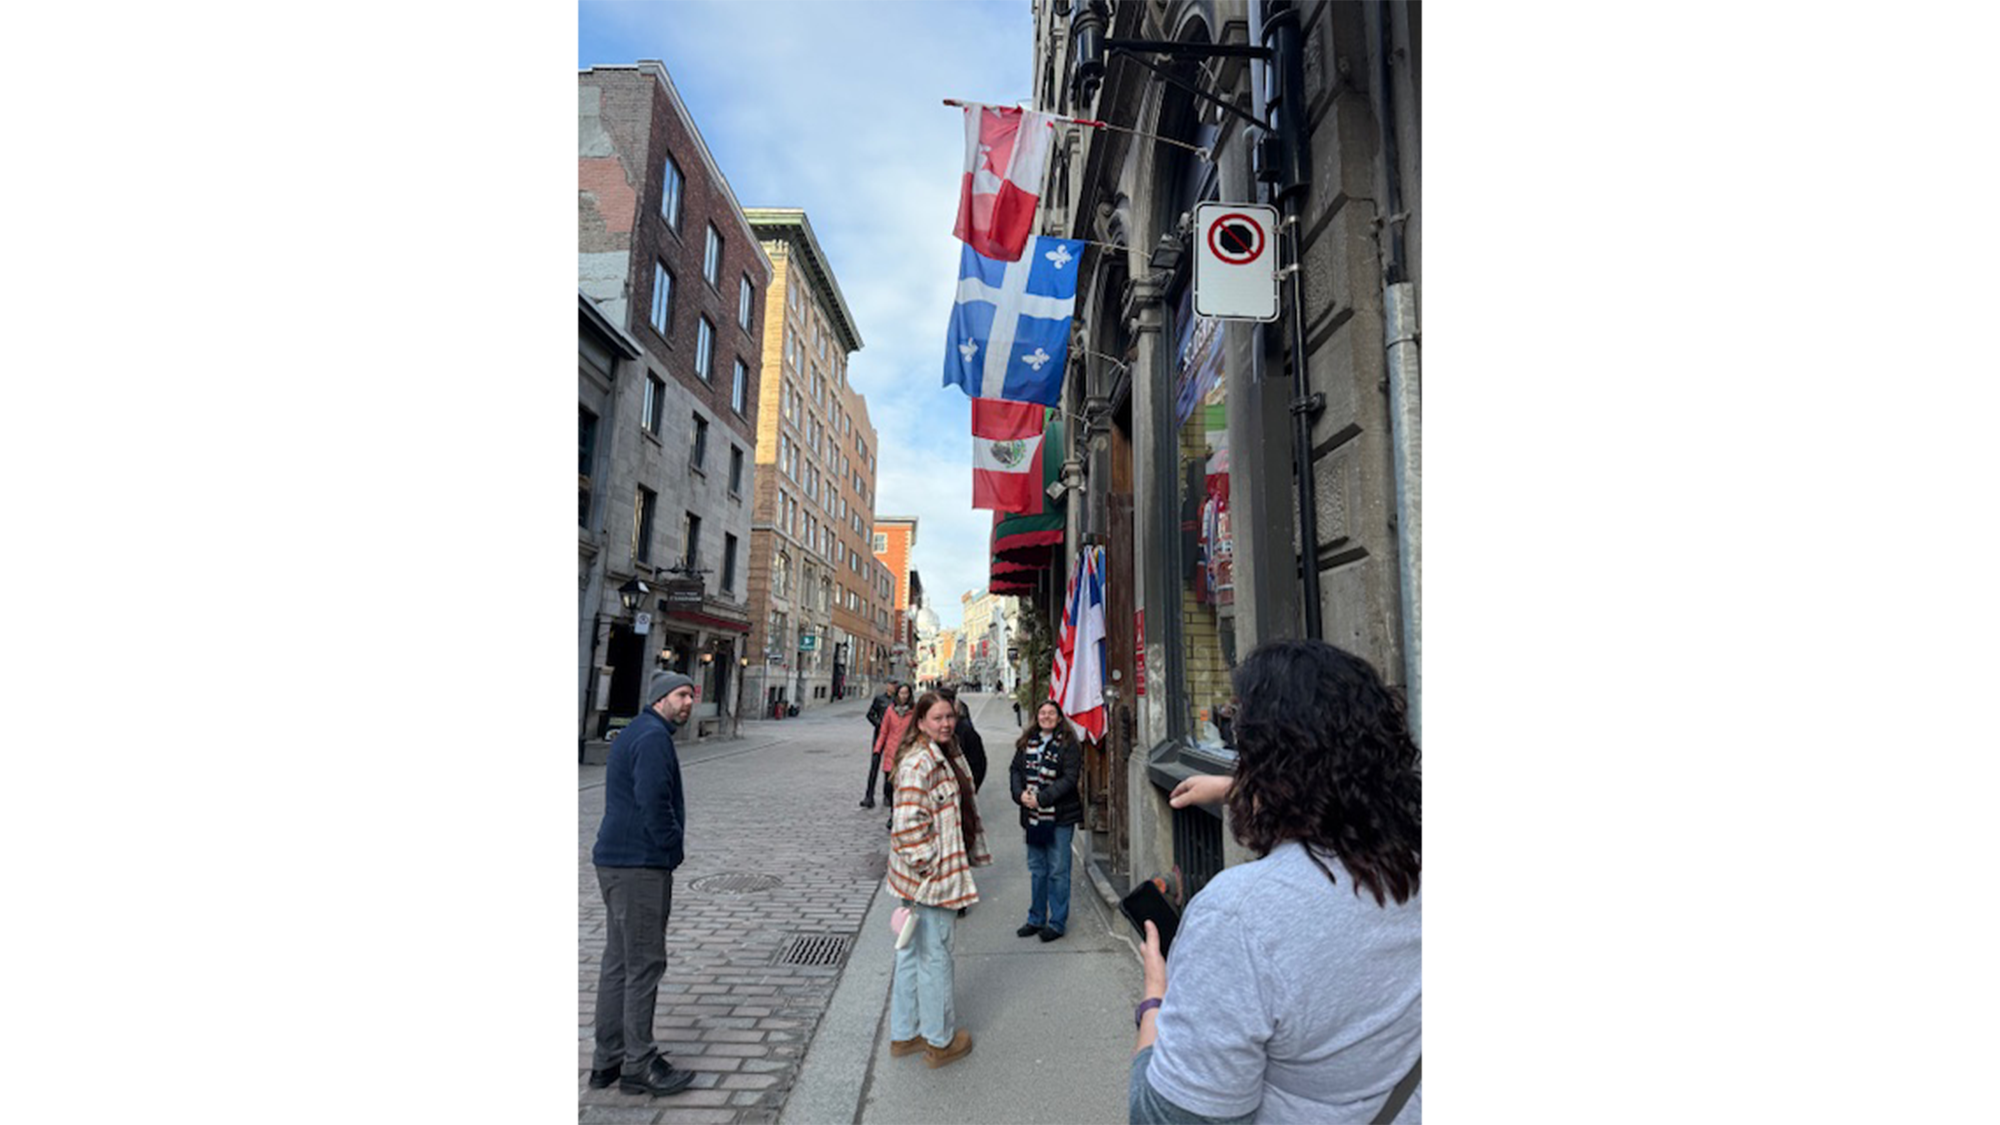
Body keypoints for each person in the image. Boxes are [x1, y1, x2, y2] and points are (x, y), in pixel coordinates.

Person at [1129, 639, 1423, 1124]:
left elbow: (1163, 1115)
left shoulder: (1239, 915)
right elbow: (1343, 784)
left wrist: (1155, 1001)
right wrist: (1238, 789)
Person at [589, 670, 701, 1098]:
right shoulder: (654, 738)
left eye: (692, 695)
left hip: (616, 861)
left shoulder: (638, 731)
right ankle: (638, 1064)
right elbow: (654, 801)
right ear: (659, 698)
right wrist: (670, 846)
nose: (688, 702)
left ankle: (608, 1059)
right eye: (681, 695)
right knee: (644, 964)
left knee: (618, 962)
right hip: (639, 864)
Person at [884, 691, 990, 1069]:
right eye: (938, 718)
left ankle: (906, 1033)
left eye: (950, 716)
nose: (946, 723)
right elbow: (908, 826)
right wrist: (931, 869)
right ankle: (939, 1041)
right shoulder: (920, 762)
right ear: (921, 721)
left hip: (920, 880)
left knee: (913, 955)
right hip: (931, 881)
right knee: (936, 959)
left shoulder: (946, 752)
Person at [1007, 699, 1084, 942]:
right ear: (1037, 716)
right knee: (1038, 870)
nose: (1047, 716)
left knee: (1058, 871)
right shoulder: (1026, 742)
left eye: (1052, 713)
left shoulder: (1069, 744)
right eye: (1042, 712)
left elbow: (1070, 778)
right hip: (1032, 817)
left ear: (1060, 718)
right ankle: (1036, 918)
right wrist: (1020, 795)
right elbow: (1015, 771)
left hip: (1059, 816)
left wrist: (1042, 798)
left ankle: (1057, 922)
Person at [863, 682, 914, 809]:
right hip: (882, 737)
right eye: (891, 684)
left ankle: (890, 801)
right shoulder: (881, 701)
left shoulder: (909, 709)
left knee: (896, 776)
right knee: (876, 767)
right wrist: (878, 724)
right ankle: (869, 796)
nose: (903, 695)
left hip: (899, 745)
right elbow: (871, 715)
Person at [935, 685, 987, 792]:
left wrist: (968, 788)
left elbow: (978, 764)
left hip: (960, 791)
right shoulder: (927, 729)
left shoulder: (965, 731)